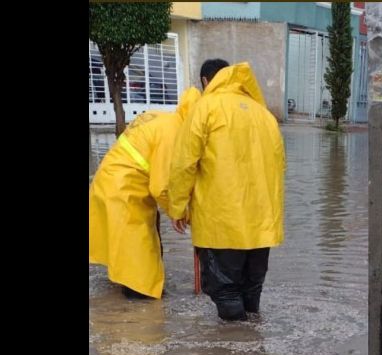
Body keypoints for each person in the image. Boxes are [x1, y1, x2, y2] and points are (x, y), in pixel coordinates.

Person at [168, 59, 285, 321]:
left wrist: (176, 206)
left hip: (220, 223)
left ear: (206, 82)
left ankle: (235, 353)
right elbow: (280, 166)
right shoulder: (264, 114)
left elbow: (184, 163)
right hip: (261, 225)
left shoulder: (205, 108)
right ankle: (257, 351)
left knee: (226, 293)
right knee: (252, 291)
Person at [89, 87, 202, 299]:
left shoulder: (164, 118)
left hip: (111, 183)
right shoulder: (174, 132)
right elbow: (162, 185)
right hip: (124, 192)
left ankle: (118, 309)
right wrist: (180, 213)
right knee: (141, 281)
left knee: (130, 253)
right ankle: (138, 323)